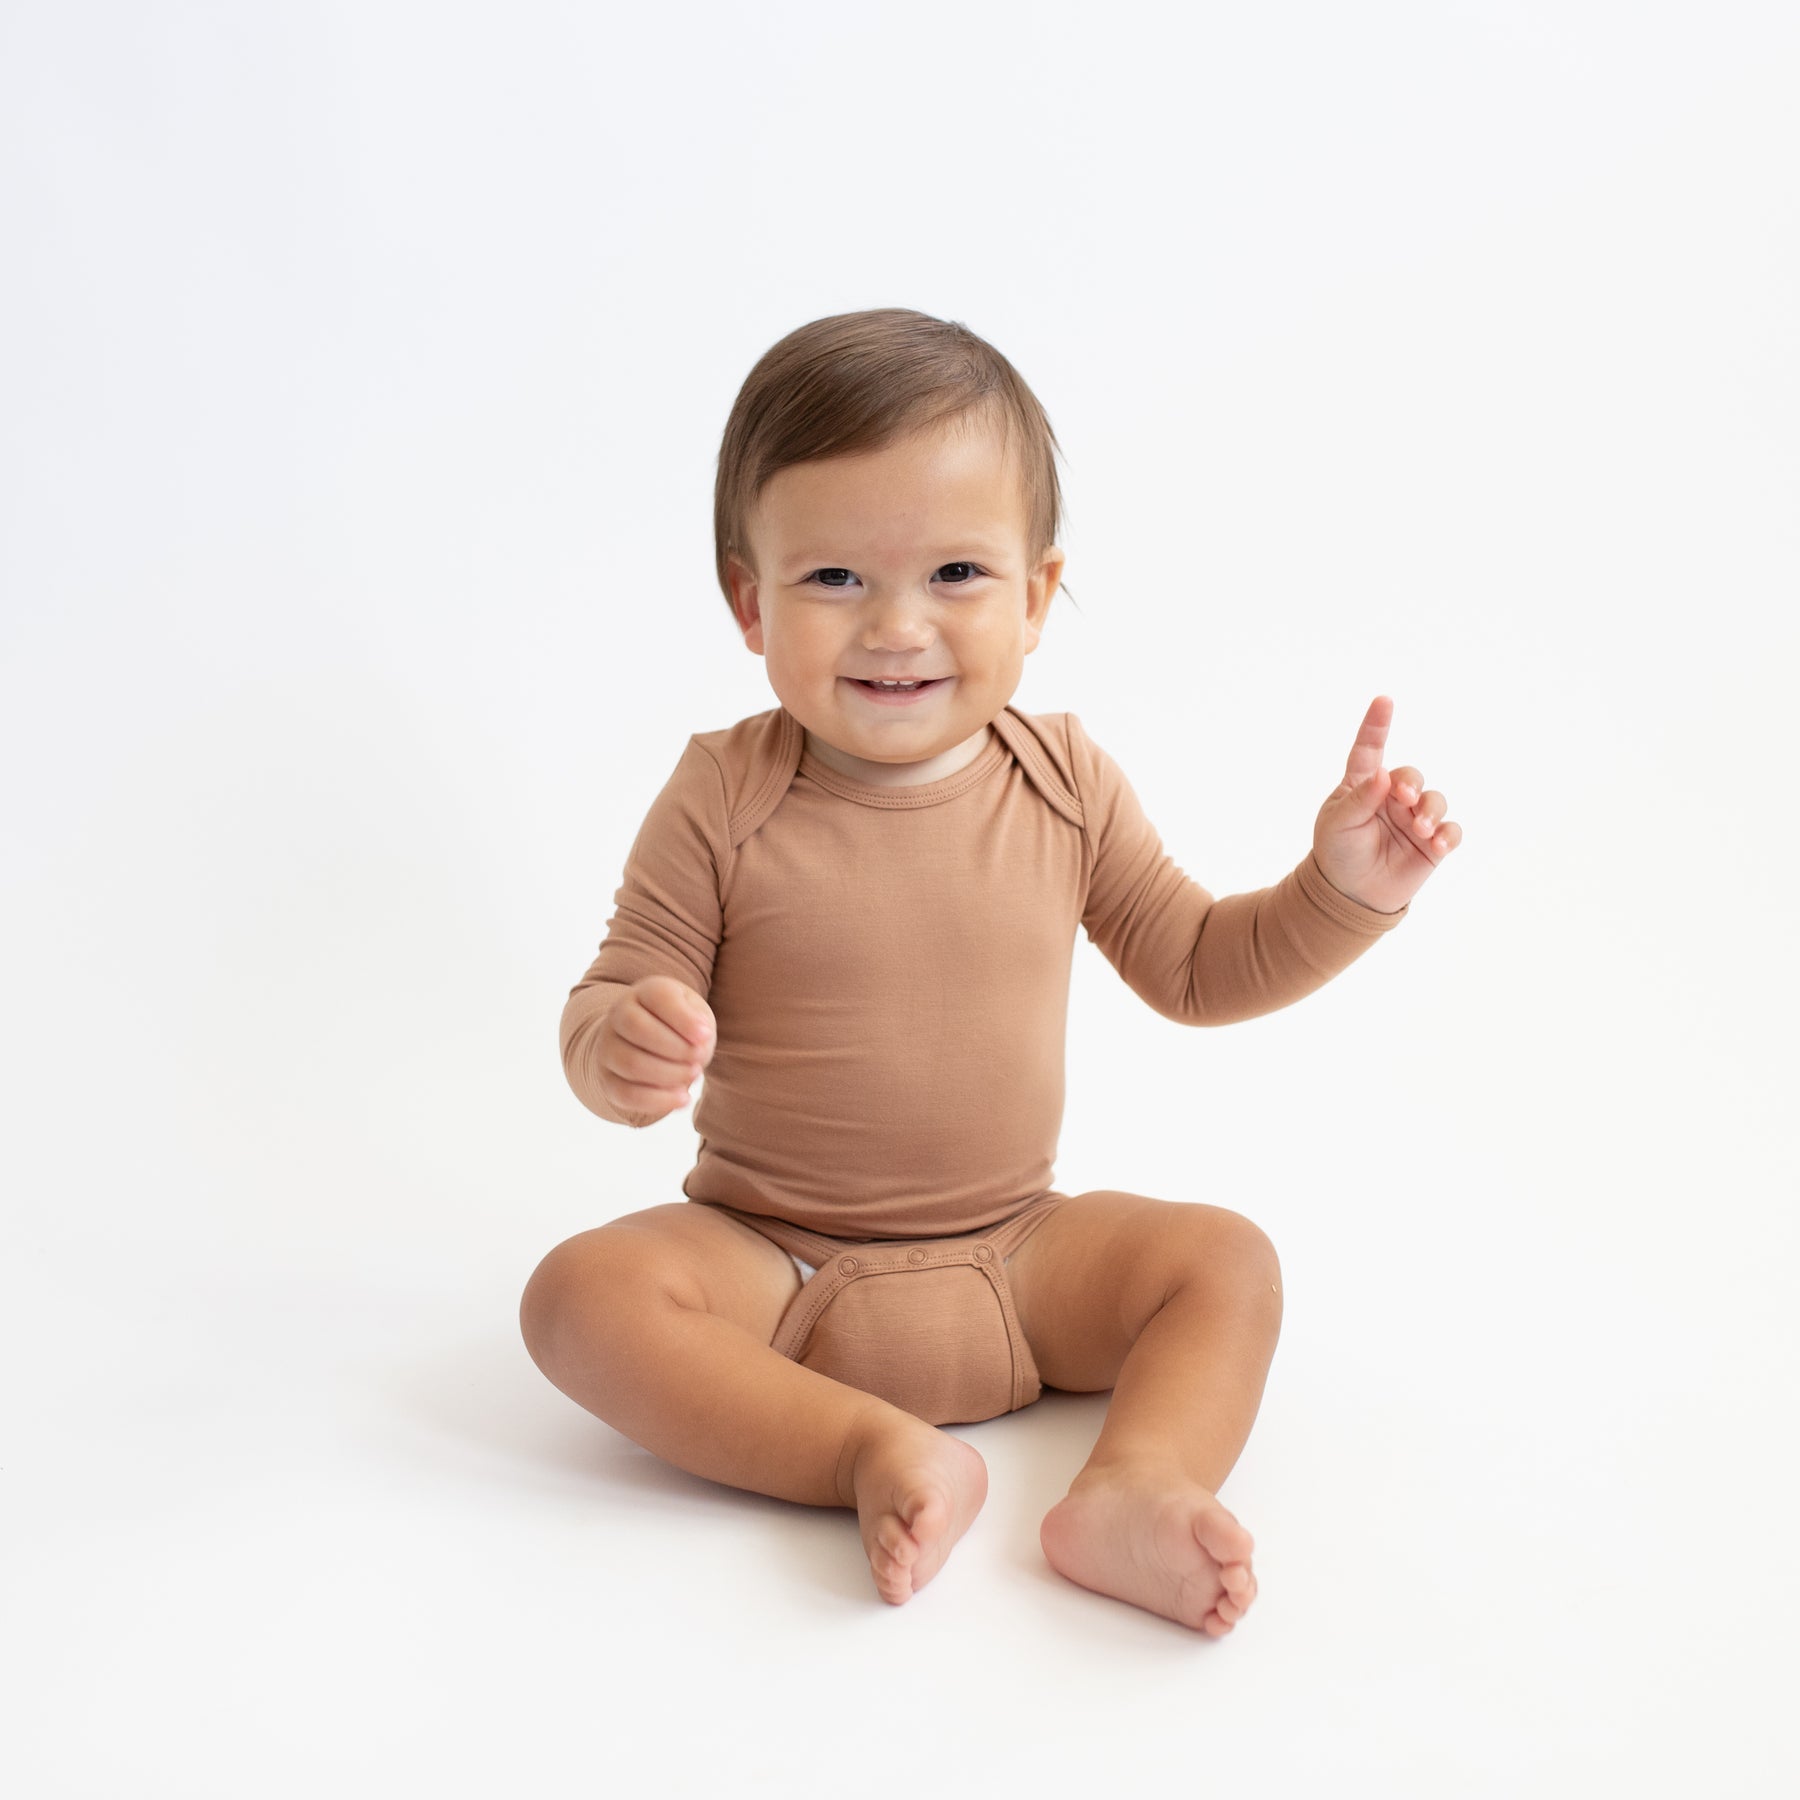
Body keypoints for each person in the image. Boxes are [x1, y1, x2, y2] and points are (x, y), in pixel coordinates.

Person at [520, 308, 1461, 1636]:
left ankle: (1135, 1485)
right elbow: (610, 993)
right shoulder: (721, 796)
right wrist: (622, 1044)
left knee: (1227, 1262)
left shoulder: (1064, 780)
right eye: (835, 579)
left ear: (1035, 594)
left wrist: (1339, 896)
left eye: (957, 573)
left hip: (1021, 1259)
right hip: (773, 1263)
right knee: (579, 1299)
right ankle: (864, 1451)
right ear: (749, 600)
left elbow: (1195, 967)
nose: (897, 626)